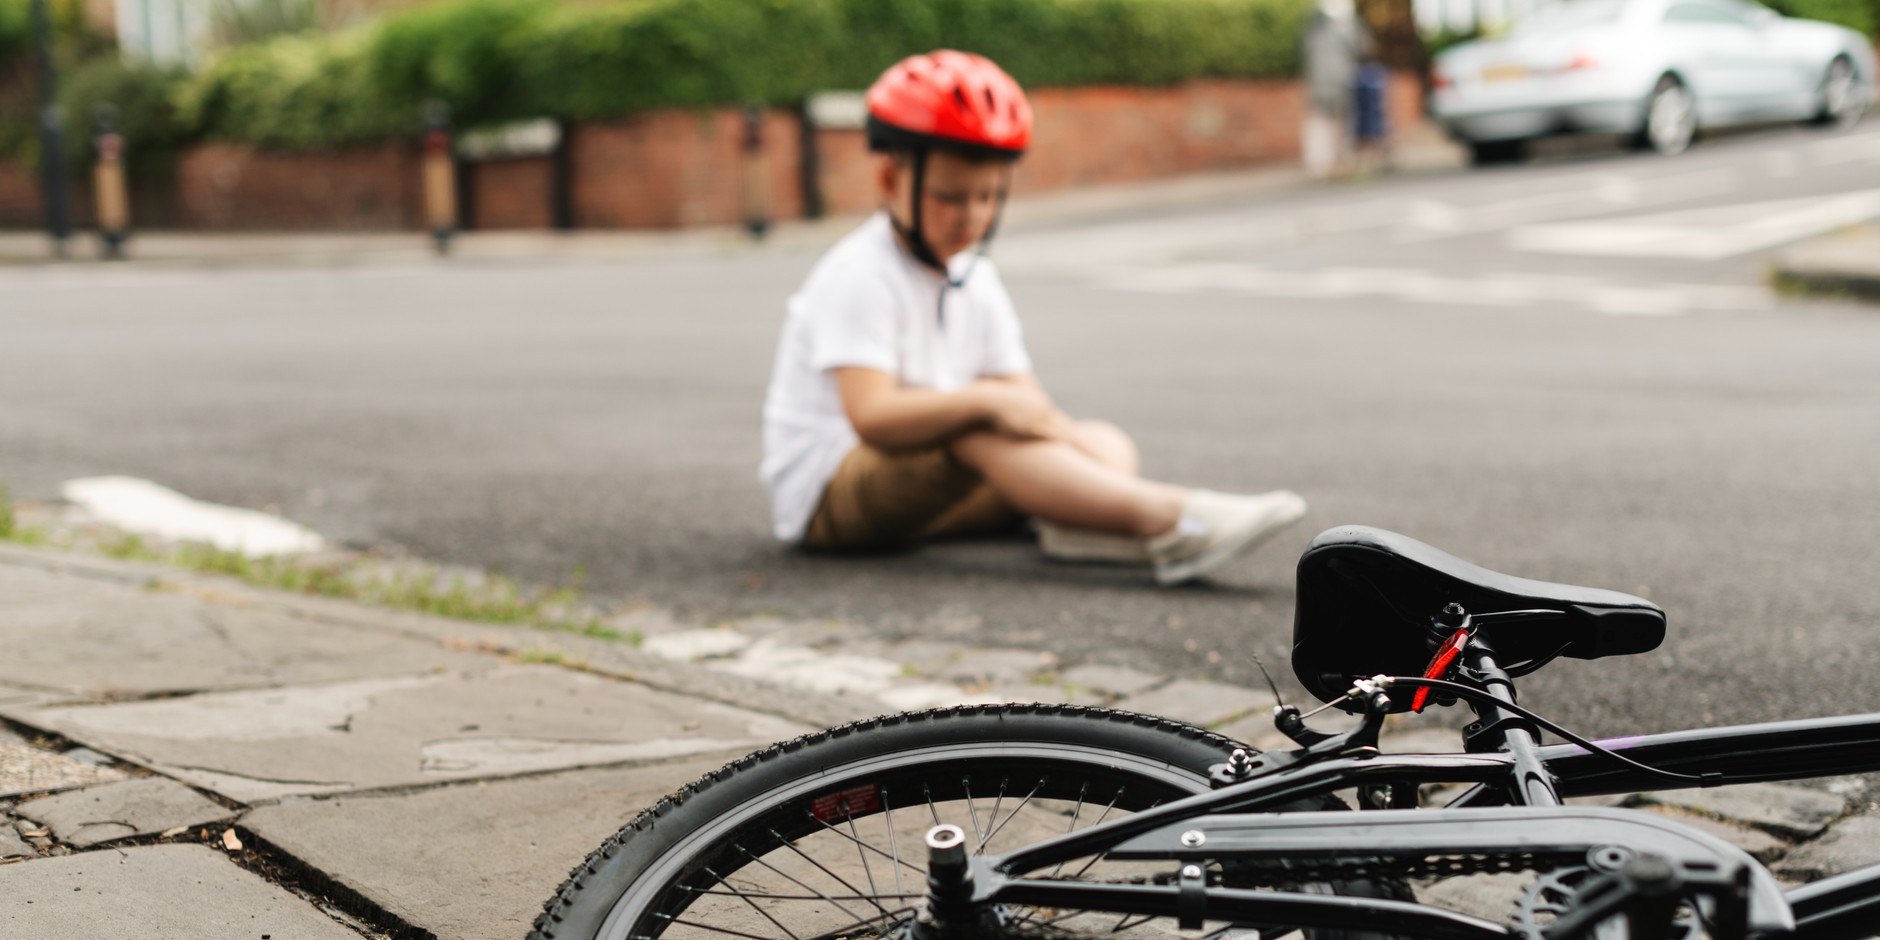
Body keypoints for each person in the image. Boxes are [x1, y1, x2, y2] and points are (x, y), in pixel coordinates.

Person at [759, 50, 1306, 585]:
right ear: (888, 180)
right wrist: (987, 402)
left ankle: (1081, 526)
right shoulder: (860, 272)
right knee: (976, 422)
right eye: (950, 197)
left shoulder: (974, 275)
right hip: (830, 499)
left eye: (988, 196)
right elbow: (872, 416)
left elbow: (1026, 401)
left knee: (1105, 442)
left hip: (924, 498)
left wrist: (1070, 439)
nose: (971, 217)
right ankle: (1172, 521)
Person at [1300, 0, 1373, 179]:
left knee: (1322, 121)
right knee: (1341, 121)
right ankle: (1338, 160)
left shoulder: (1312, 26)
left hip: (1320, 82)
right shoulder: (1347, 25)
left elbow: (1303, 52)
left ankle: (1322, 164)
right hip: (1341, 81)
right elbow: (1365, 47)